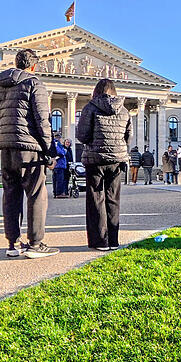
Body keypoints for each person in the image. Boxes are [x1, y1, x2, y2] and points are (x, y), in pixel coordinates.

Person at [0, 48, 58, 259]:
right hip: (30, 150)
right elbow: (43, 121)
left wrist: (9, 135)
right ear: (33, 66)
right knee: (36, 194)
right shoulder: (34, 84)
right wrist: (48, 149)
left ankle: (12, 244)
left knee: (10, 195)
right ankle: (35, 244)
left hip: (6, 149)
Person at [76, 78, 131, 250]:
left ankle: (100, 241)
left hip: (95, 159)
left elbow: (82, 136)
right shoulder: (124, 110)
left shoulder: (90, 108)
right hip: (116, 160)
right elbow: (128, 137)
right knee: (113, 200)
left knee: (96, 200)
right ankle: (113, 241)